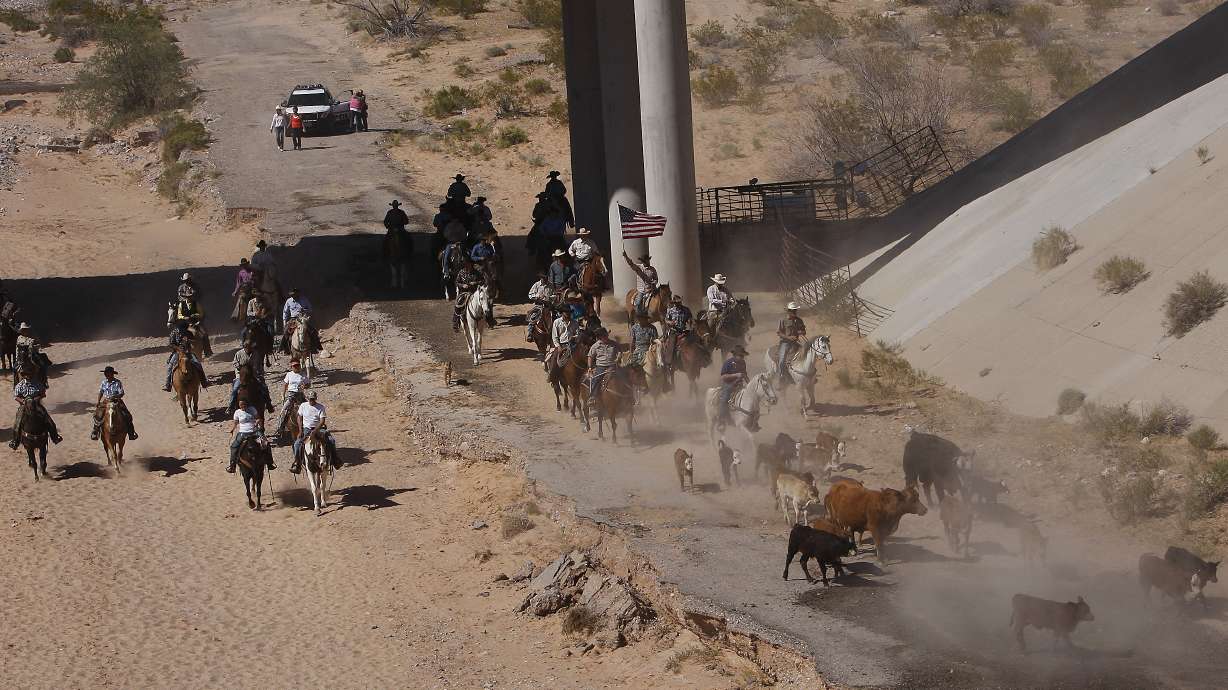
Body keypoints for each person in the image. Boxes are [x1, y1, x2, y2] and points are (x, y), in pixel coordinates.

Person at [8, 368, 62, 449]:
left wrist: (37, 398)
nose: (27, 376)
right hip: (24, 406)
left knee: (48, 419)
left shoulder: (37, 384)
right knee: (17, 422)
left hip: (37, 405)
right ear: (23, 376)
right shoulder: (20, 385)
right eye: (26, 374)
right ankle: (15, 441)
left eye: (29, 374)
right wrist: (22, 401)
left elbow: (43, 394)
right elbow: (16, 396)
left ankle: (55, 437)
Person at [291, 389, 339, 473]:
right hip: (306, 429)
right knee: (297, 444)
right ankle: (297, 463)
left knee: (331, 440)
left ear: (315, 399)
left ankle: (335, 460)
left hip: (319, 428)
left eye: (313, 399)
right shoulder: (303, 405)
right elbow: (299, 417)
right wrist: (300, 429)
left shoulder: (320, 407)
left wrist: (315, 430)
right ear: (308, 398)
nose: (311, 401)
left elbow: (322, 421)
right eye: (310, 399)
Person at [226, 395, 273, 473]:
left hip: (254, 431)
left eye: (243, 404)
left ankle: (270, 463)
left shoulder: (252, 409)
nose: (242, 406)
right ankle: (232, 465)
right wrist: (232, 429)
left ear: (246, 404)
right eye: (240, 405)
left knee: (266, 443)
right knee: (234, 446)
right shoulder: (237, 412)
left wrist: (257, 422)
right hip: (243, 432)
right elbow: (235, 423)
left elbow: (258, 418)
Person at [90, 366, 138, 441]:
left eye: (107, 373)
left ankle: (131, 433)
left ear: (112, 374)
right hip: (106, 401)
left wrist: (115, 397)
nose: (106, 375)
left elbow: (121, 393)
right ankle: (95, 432)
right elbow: (101, 392)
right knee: (97, 415)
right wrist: (98, 401)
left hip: (117, 401)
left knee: (127, 415)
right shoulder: (103, 382)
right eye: (105, 373)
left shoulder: (117, 382)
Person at [164, 321, 210, 392]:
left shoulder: (188, 332)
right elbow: (171, 344)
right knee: (170, 366)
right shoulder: (174, 333)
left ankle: (204, 381)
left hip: (189, 352)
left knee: (197, 364)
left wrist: (190, 340)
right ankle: (168, 384)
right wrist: (178, 349)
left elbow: (196, 339)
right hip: (177, 353)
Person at [229, 340, 271, 414]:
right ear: (244, 347)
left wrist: (261, 373)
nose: (249, 349)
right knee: (235, 389)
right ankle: (231, 406)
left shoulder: (256, 354)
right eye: (247, 347)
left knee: (264, 387)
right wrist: (241, 367)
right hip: (241, 375)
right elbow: (235, 363)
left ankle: (268, 404)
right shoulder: (239, 354)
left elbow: (259, 364)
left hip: (254, 374)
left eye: (250, 347)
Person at [586, 328, 623, 408]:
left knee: (624, 376)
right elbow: (590, 356)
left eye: (606, 335)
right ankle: (592, 397)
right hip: (601, 367)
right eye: (604, 336)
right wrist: (589, 367)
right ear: (600, 337)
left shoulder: (614, 344)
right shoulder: (595, 346)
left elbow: (620, 351)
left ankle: (629, 395)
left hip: (613, 365)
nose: (606, 337)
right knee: (595, 379)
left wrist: (619, 356)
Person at [275, 358, 310, 440]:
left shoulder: (303, 374)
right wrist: (283, 395)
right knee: (283, 411)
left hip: (300, 395)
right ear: (291, 367)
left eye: (298, 365)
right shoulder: (289, 374)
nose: (297, 367)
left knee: (309, 408)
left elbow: (309, 384)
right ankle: (280, 427)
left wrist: (305, 386)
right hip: (291, 395)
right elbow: (285, 385)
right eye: (294, 366)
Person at [717, 345, 750, 428]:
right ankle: (721, 420)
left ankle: (751, 419)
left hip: (739, 385)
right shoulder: (728, 363)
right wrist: (736, 375)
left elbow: (745, 374)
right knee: (724, 399)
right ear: (735, 355)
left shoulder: (743, 362)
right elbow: (723, 377)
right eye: (740, 355)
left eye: (743, 356)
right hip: (728, 385)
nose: (742, 357)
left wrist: (750, 385)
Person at [280, 288, 320, 354]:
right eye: (292, 295)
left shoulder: (304, 300)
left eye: (294, 294)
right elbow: (285, 312)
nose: (293, 296)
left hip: (302, 318)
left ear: (298, 294)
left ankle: (314, 348)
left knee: (313, 331)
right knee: (286, 332)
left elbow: (310, 309)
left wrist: (304, 310)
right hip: (293, 319)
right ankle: (286, 349)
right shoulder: (289, 301)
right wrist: (284, 322)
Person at [452, 256, 485, 331]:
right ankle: (456, 322)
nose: (468, 266)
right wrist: (462, 285)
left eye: (469, 264)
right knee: (458, 304)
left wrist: (475, 283)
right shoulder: (461, 272)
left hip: (475, 292)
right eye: (466, 264)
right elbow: (456, 282)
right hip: (464, 293)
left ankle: (490, 319)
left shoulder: (477, 272)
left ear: (471, 264)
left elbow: (483, 281)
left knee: (485, 302)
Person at [621, 250, 659, 318]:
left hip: (652, 289)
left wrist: (654, 282)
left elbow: (656, 279)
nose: (645, 262)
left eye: (646, 260)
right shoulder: (638, 267)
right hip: (642, 290)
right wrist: (626, 256)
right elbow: (631, 263)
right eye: (644, 261)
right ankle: (639, 317)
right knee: (638, 302)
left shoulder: (653, 269)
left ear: (648, 260)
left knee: (660, 298)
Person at [776, 302, 807, 382]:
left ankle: (808, 374)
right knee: (782, 359)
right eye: (793, 311)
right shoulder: (783, 320)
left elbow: (804, 331)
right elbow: (779, 332)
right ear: (788, 311)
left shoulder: (799, 320)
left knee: (807, 354)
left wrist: (801, 332)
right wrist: (788, 337)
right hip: (785, 342)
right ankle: (782, 375)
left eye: (795, 311)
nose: (795, 312)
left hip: (796, 342)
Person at [15, 323, 50, 387]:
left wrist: (36, 346)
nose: (25, 331)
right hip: (22, 356)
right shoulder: (19, 338)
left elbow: (38, 345)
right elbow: (17, 349)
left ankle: (44, 381)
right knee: (15, 368)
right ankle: (16, 385)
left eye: (25, 329)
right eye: (23, 330)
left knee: (42, 365)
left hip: (32, 354)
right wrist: (17, 359)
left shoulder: (32, 337)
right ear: (21, 331)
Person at [662, 294, 693, 368]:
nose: (678, 304)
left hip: (684, 330)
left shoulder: (686, 309)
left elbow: (690, 317)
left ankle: (703, 359)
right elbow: (666, 319)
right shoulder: (670, 310)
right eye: (677, 303)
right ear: (674, 303)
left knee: (695, 340)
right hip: (674, 331)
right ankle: (669, 363)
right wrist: (670, 322)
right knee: (671, 345)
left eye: (679, 302)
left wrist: (690, 321)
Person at [526, 270, 552, 343]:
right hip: (539, 305)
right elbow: (530, 295)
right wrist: (537, 296)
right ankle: (530, 333)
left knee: (556, 316)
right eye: (543, 278)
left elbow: (554, 295)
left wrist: (551, 297)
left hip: (548, 306)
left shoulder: (550, 285)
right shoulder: (536, 285)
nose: (545, 279)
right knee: (533, 317)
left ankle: (554, 334)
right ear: (540, 278)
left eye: (546, 278)